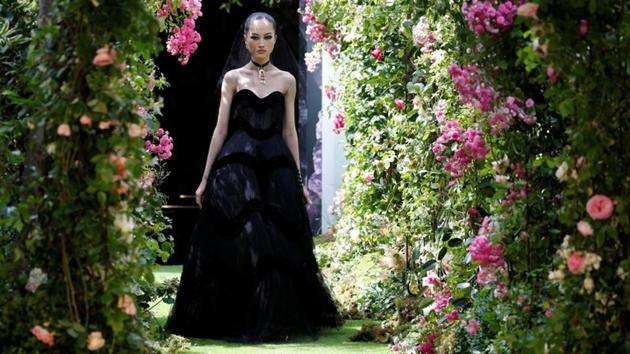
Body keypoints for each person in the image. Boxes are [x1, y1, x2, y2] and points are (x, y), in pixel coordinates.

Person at [165, 12, 342, 342]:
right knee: (246, 235)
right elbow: (220, 129)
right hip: (237, 164)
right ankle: (236, 316)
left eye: (267, 37)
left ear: (276, 39)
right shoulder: (233, 78)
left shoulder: (287, 80)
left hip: (276, 166)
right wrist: (205, 179)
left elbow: (290, 131)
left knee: (277, 241)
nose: (261, 44)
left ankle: (275, 318)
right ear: (245, 40)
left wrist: (299, 181)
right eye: (255, 37)